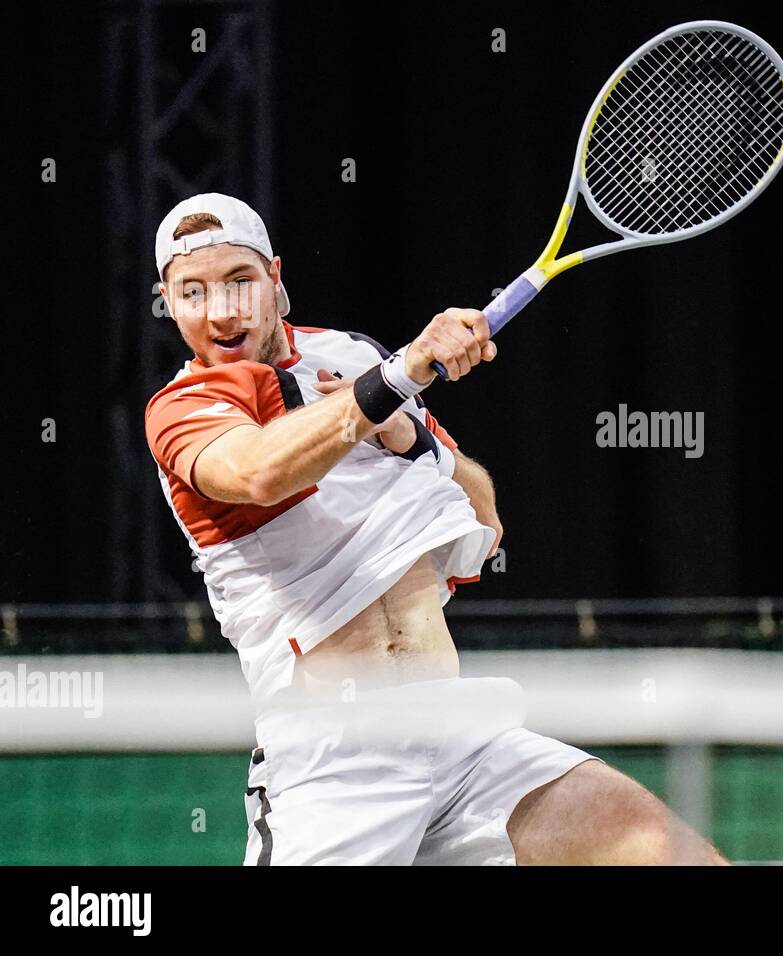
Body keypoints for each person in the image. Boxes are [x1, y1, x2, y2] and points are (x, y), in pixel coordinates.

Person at [144, 193, 726, 865]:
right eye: (192, 292)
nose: (221, 311)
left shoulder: (347, 354)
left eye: (239, 281)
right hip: (336, 761)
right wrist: (394, 378)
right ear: (168, 301)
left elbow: (482, 513)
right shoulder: (186, 405)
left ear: (276, 279)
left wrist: (408, 435)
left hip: (457, 736)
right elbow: (257, 473)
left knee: (669, 854)